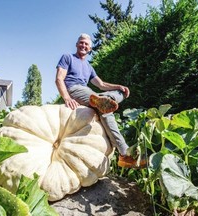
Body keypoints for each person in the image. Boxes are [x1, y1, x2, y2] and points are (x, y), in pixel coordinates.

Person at [55, 33, 146, 168]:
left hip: (91, 94)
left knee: (112, 103)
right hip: (75, 89)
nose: (83, 45)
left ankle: (123, 154)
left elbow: (101, 85)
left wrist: (118, 87)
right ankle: (124, 153)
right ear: (76, 44)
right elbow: (59, 78)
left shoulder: (89, 67)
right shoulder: (68, 57)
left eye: (86, 44)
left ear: (90, 49)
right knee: (100, 103)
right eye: (81, 42)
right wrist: (66, 97)